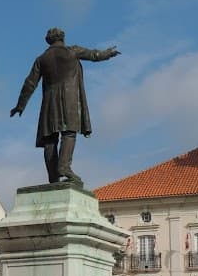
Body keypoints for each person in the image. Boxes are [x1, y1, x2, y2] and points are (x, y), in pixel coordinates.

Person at [10, 27, 120, 186]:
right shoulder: (72, 51)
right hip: (69, 99)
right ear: (62, 38)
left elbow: (30, 83)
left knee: (49, 139)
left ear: (49, 40)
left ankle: (53, 177)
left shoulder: (41, 59)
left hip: (49, 102)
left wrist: (20, 105)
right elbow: (94, 55)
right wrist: (108, 53)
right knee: (69, 133)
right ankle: (64, 166)